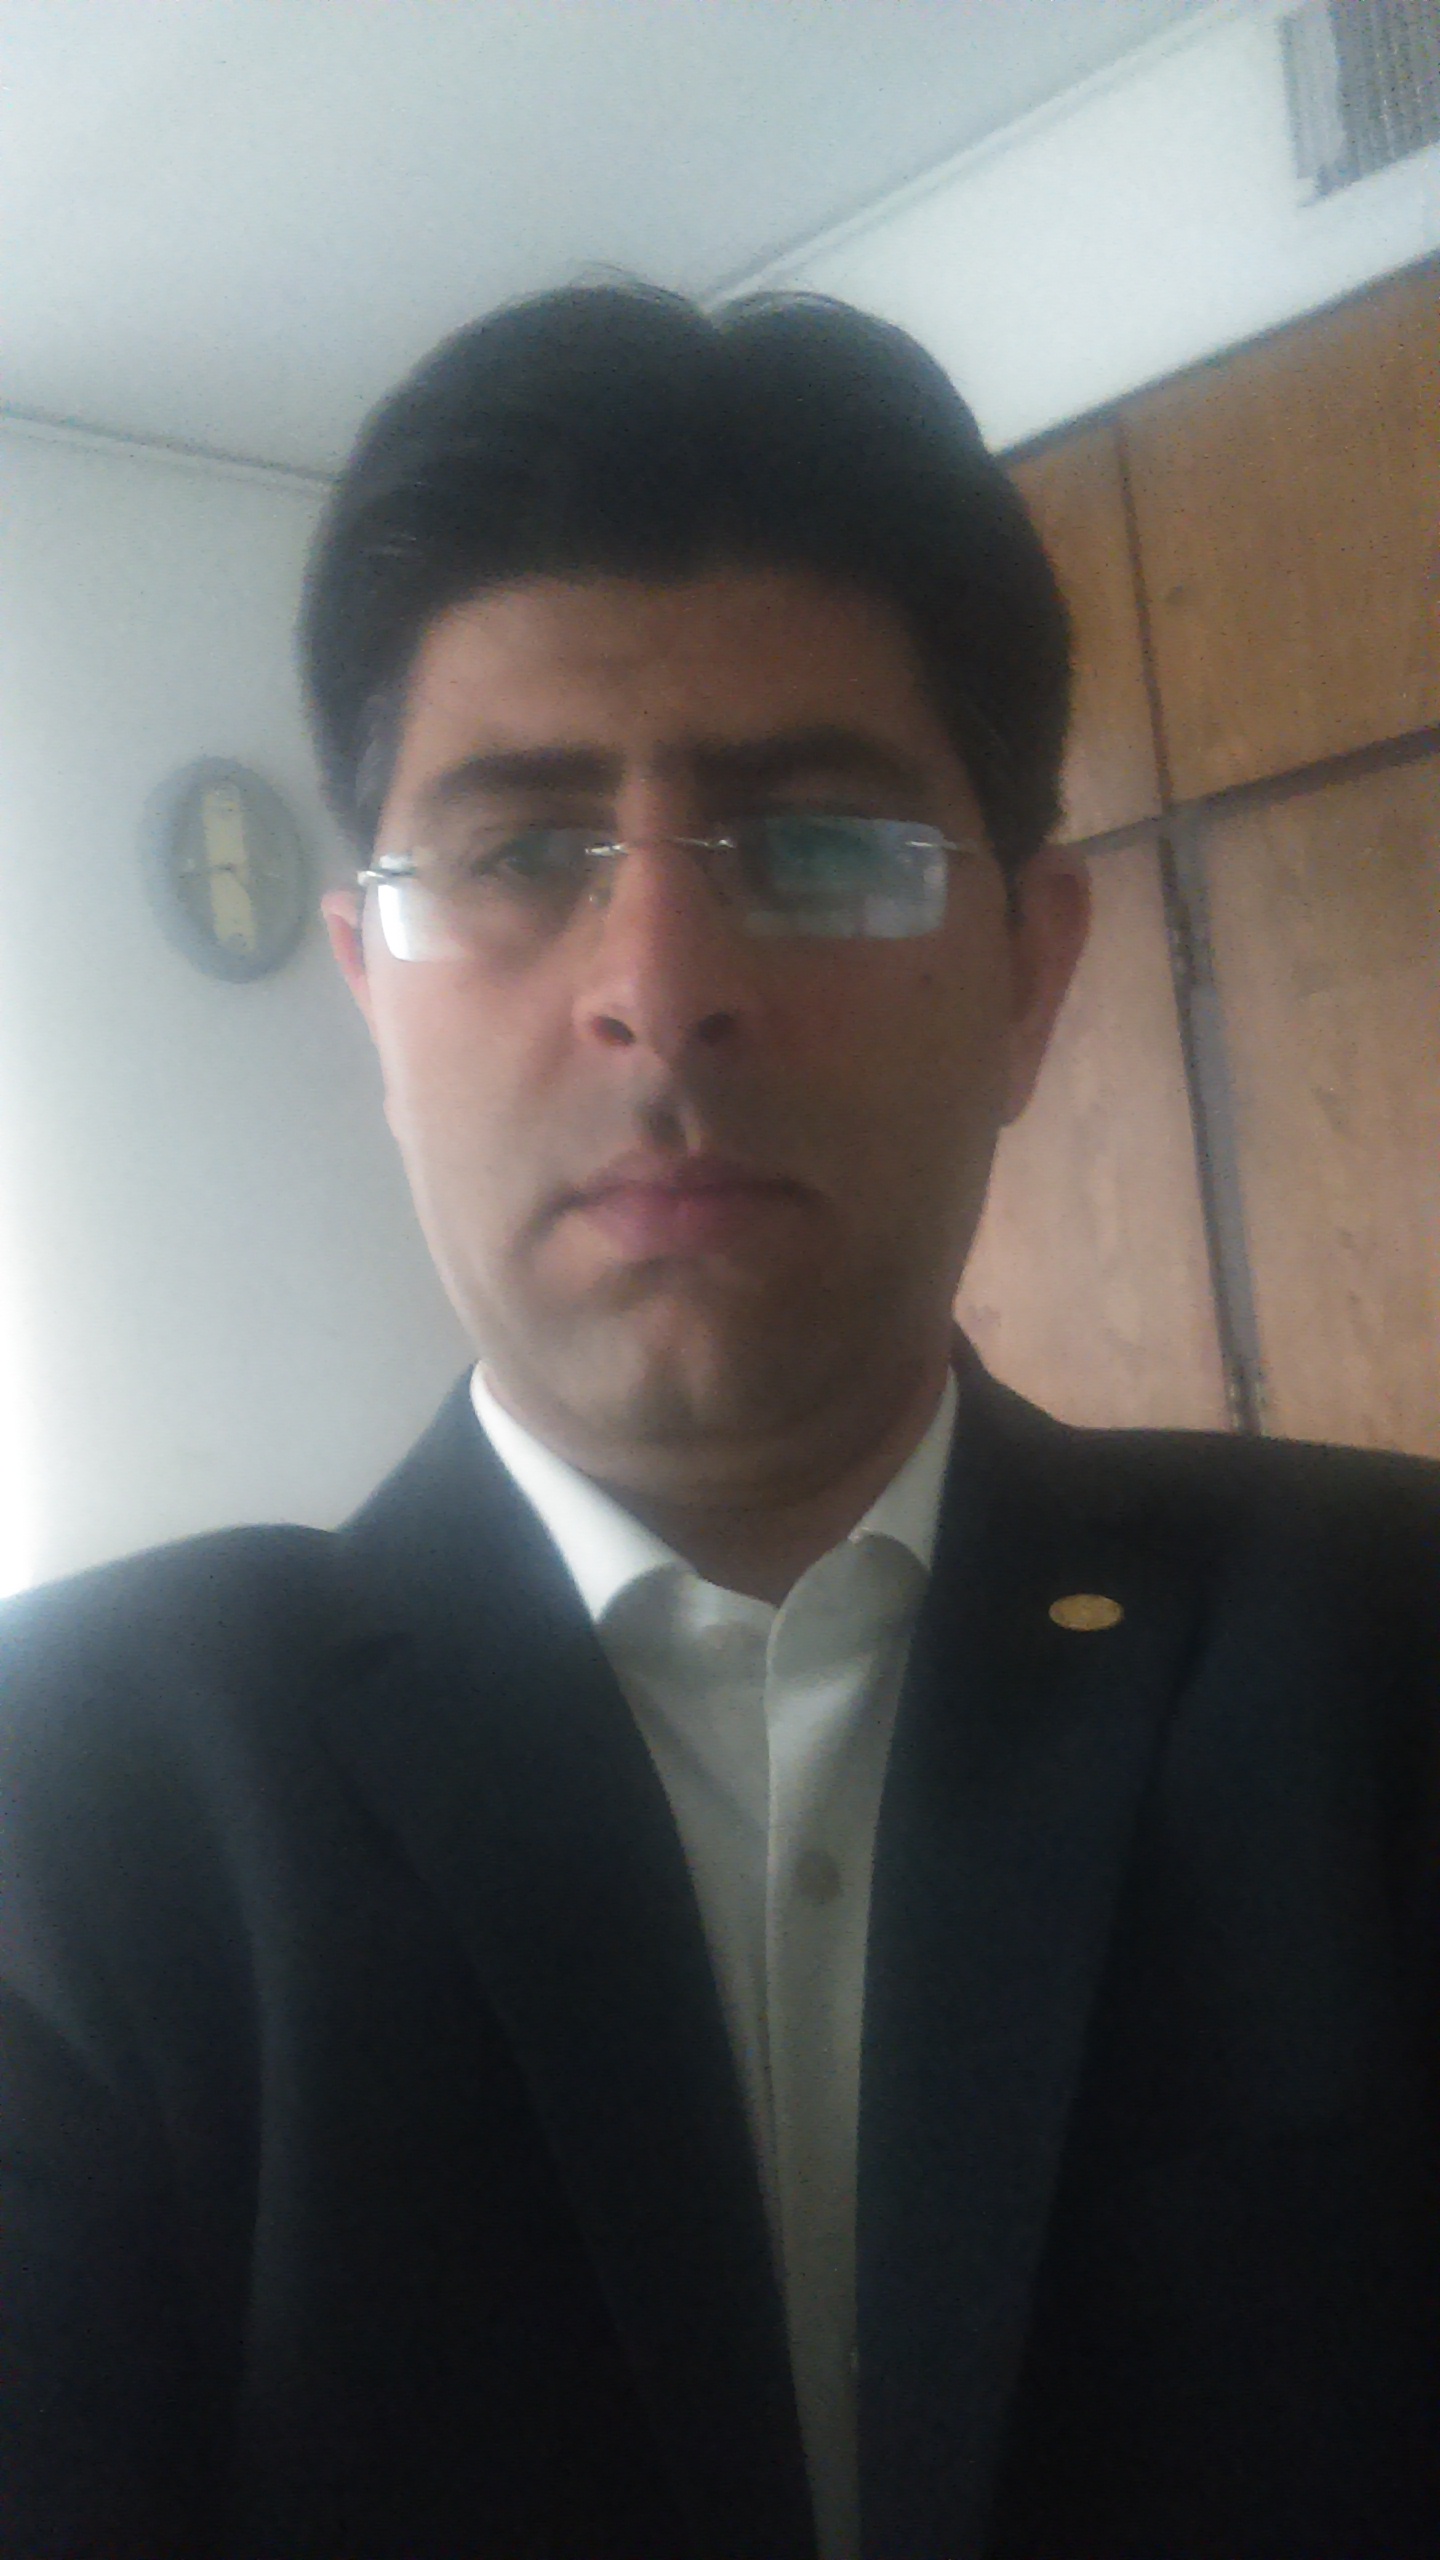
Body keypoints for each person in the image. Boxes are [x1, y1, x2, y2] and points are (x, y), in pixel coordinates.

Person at [1, 284, 1436, 2560]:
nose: (661, 990)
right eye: (519, 849)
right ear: (370, 989)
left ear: (1033, 970)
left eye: (820, 843)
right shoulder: (69, 1810)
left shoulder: (1389, 1663)